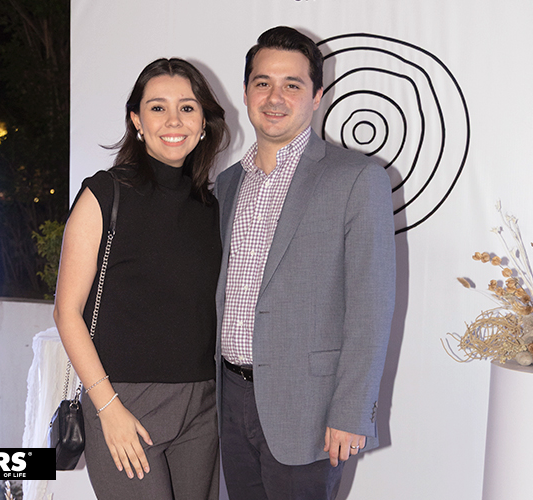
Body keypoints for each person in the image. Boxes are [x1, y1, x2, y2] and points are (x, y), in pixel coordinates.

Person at [214, 26, 396, 500]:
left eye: (292, 85)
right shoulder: (227, 184)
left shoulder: (357, 178)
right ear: (246, 92)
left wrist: (351, 412)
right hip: (230, 400)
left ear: (316, 96)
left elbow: (371, 307)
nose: (275, 97)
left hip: (308, 410)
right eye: (263, 83)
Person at [53, 57, 229, 500]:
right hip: (123, 401)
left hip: (201, 406)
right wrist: (108, 408)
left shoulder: (210, 207)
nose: (174, 120)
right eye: (157, 107)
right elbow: (67, 312)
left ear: (203, 122)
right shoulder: (105, 193)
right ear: (136, 120)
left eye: (187, 108)